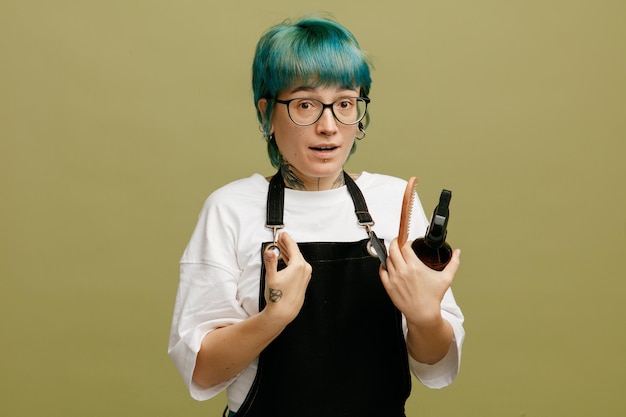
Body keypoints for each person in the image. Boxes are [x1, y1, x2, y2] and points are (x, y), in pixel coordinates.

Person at [168, 15, 464, 417]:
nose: (329, 127)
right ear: (267, 112)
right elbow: (202, 373)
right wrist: (275, 316)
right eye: (306, 105)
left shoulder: (396, 201)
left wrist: (425, 316)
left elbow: (434, 364)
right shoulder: (229, 208)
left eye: (344, 103)